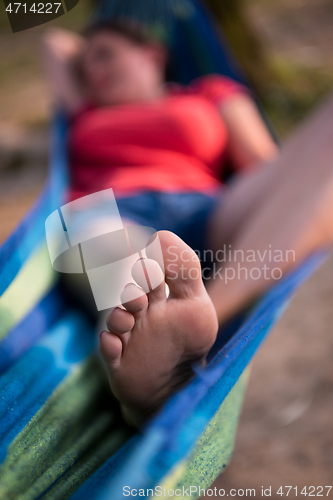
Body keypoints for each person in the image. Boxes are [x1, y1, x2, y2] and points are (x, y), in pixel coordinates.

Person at [42, 22, 333, 427]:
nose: (93, 71)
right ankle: (145, 373)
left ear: (154, 54)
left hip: (210, 210)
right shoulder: (85, 110)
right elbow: (55, 42)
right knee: (101, 245)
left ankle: (203, 314)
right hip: (113, 209)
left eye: (106, 54)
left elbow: (266, 164)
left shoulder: (210, 92)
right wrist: (101, 44)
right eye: (86, 63)